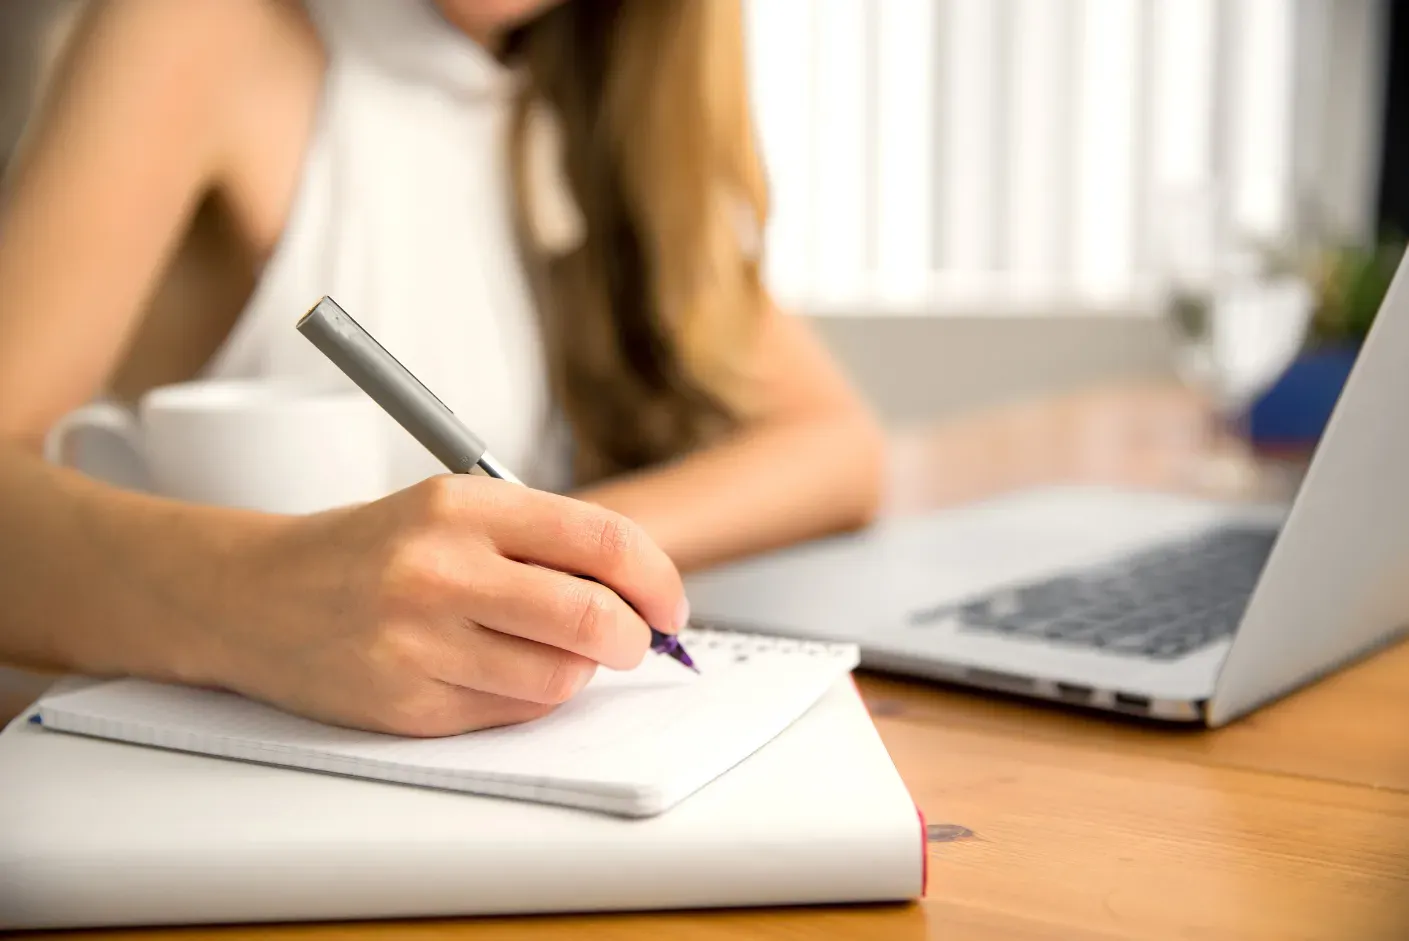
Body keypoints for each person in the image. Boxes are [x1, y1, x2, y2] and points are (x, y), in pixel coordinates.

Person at [0, 0, 884, 736]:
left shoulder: (579, 95)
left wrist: (557, 553)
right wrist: (266, 593)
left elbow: (838, 445)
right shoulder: (200, 28)